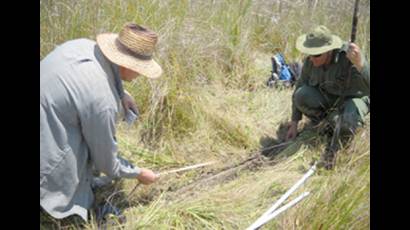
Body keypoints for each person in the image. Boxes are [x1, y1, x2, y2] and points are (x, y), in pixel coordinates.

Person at [40, 22, 162, 223]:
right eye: (140, 69)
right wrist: (139, 173)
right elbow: (107, 162)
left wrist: (121, 93)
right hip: (46, 145)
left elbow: (83, 87)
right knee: (81, 192)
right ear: (127, 65)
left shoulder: (83, 46)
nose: (141, 75)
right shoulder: (102, 100)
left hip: (48, 115)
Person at [285, 25, 370, 169]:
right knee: (301, 96)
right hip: (328, 100)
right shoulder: (310, 62)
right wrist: (294, 124)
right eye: (309, 54)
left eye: (317, 55)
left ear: (329, 51)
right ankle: (327, 124)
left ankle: (337, 141)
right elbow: (298, 88)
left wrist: (361, 65)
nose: (312, 59)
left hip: (353, 100)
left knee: (347, 121)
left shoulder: (350, 57)